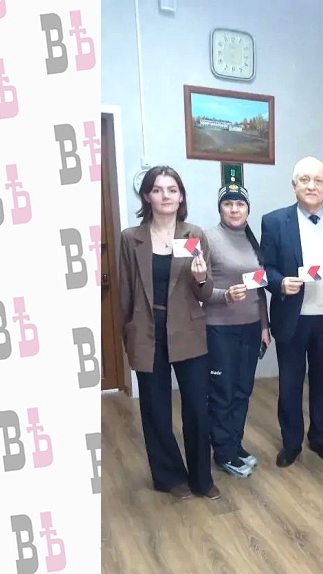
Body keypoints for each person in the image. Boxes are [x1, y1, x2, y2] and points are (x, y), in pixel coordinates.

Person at [118, 165, 220, 500]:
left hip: (187, 329)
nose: (166, 196)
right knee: (155, 410)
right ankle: (169, 477)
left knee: (197, 408)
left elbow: (205, 292)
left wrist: (202, 277)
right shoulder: (131, 238)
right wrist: (128, 337)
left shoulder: (194, 235)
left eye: (172, 190)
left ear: (181, 196)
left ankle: (201, 479)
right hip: (147, 332)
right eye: (158, 190)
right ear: (146, 196)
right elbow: (125, 293)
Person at [261, 157, 323, 468]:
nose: (311, 186)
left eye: (317, 180)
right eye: (304, 180)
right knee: (290, 383)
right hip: (293, 317)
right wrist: (279, 282)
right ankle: (291, 443)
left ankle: (320, 437)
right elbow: (266, 268)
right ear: (294, 186)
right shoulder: (274, 221)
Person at [203, 183, 271, 478]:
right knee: (223, 392)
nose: (234, 209)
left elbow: (260, 288)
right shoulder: (207, 238)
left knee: (243, 390)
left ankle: (234, 444)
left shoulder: (251, 239)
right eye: (228, 204)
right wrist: (225, 295)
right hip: (220, 329)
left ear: (247, 209)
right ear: (220, 208)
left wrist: (264, 326)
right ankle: (223, 452)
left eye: (240, 204)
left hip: (251, 328)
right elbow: (198, 287)